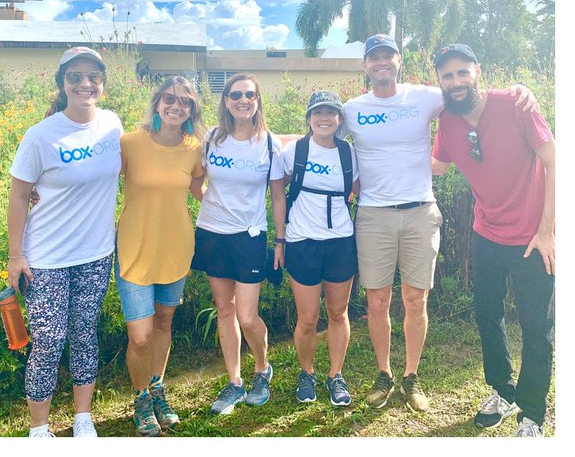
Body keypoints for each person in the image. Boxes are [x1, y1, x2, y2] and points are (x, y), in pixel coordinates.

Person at [344, 33, 536, 413]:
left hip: (420, 212)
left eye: (388, 55)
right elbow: (316, 135)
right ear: (365, 65)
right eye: (374, 57)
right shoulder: (352, 109)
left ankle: (411, 377)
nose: (381, 62)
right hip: (373, 215)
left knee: (415, 299)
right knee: (377, 301)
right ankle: (384, 374)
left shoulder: (424, 97)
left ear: (399, 61)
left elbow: (469, 92)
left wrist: (518, 90)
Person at [430, 43, 554, 437]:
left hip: (533, 238)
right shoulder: (446, 120)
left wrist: (548, 231)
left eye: (462, 72)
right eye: (447, 75)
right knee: (487, 315)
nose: (456, 81)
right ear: (439, 81)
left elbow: (555, 160)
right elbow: (436, 166)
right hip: (487, 234)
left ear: (477, 71)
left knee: (536, 327)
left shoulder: (515, 105)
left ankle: (532, 415)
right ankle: (503, 392)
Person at [7, 47, 122, 438]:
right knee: (48, 341)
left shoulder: (112, 125)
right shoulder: (40, 136)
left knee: (85, 333)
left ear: (102, 83)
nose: (85, 84)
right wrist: (16, 256)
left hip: (96, 254)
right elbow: (18, 197)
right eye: (75, 77)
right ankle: (39, 428)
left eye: (93, 76)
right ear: (62, 83)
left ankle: (83, 418)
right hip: (46, 258)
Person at [191, 74, 286, 416]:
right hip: (212, 234)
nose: (243, 100)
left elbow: (278, 195)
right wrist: (215, 206)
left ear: (257, 100)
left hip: (249, 237)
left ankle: (262, 369)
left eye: (249, 94)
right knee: (225, 309)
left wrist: (280, 240)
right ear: (226, 101)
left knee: (246, 315)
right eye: (236, 95)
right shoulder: (212, 139)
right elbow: (196, 182)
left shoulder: (269, 144)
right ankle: (234, 382)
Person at [116, 77, 204, 436]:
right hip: (134, 250)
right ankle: (140, 399)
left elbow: (201, 188)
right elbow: (94, 177)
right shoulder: (129, 143)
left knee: (164, 324)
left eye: (185, 102)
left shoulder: (194, 148)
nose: (176, 106)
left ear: (192, 110)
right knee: (140, 336)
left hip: (176, 249)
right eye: (169, 98)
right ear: (157, 103)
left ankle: (156, 389)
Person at [280, 89, 359, 409]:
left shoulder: (349, 153)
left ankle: (336, 374)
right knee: (308, 317)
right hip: (302, 242)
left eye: (330, 112)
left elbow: (360, 189)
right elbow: (277, 189)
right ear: (309, 118)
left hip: (340, 241)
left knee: (338, 313)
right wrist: (280, 238)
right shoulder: (295, 151)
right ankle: (307, 373)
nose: (324, 118)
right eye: (317, 112)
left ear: (340, 119)